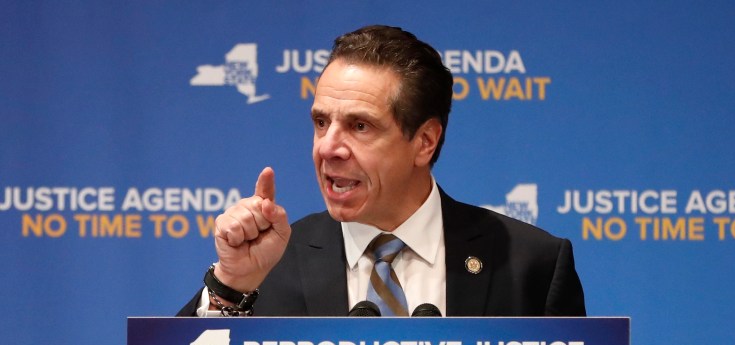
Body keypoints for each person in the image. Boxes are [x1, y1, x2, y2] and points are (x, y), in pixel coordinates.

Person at [179, 25, 585, 318]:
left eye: (360, 126)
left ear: (424, 142)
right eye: (321, 122)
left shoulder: (532, 265)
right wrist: (230, 287)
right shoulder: (268, 264)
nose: (328, 147)